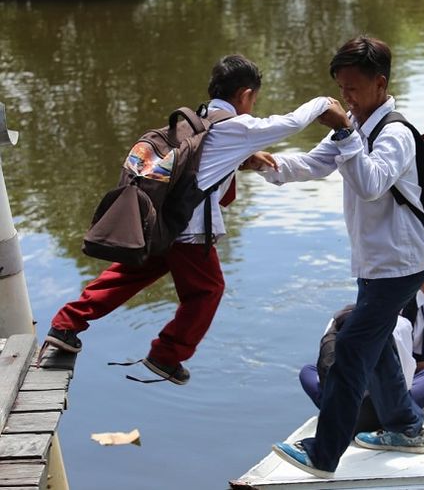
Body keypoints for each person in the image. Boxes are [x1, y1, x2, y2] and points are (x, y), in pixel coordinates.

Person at [43, 54, 332, 384]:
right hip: (188, 230)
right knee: (207, 291)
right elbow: (293, 123)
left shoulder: (202, 117)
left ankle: (66, 324)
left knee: (127, 276)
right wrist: (324, 103)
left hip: (162, 220)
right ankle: (165, 356)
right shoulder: (240, 125)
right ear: (247, 95)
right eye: (254, 98)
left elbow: (203, 161)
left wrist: (245, 159)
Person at [263, 36, 424, 479]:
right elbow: (315, 163)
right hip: (375, 265)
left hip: (401, 264)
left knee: (353, 348)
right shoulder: (358, 126)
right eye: (341, 90)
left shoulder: (395, 134)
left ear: (380, 83)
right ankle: (407, 426)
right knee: (374, 349)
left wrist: (343, 131)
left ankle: (324, 454)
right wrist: (265, 164)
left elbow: (371, 183)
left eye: (352, 89)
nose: (345, 99)